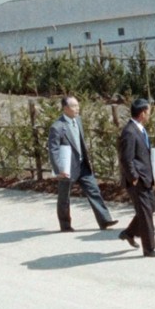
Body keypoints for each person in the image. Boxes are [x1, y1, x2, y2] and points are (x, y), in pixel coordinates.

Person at [47, 94, 116, 232]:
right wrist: (59, 169)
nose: (77, 108)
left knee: (94, 190)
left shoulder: (78, 120)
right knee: (64, 198)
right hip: (67, 168)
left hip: (82, 165)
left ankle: (105, 220)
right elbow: (53, 150)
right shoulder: (57, 127)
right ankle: (65, 225)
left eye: (78, 105)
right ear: (65, 108)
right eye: (74, 106)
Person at [117, 98, 155, 256]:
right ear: (143, 113)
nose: (149, 115)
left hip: (146, 177)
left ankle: (129, 233)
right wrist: (133, 177)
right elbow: (126, 158)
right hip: (137, 180)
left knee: (151, 207)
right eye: (148, 112)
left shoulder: (140, 129)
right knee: (145, 213)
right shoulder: (129, 132)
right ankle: (149, 249)